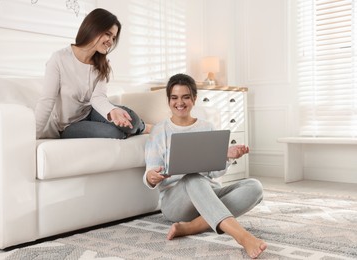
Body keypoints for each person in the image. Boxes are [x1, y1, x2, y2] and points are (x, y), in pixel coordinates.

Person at [143, 73, 267, 259]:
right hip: (175, 202)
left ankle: (192, 226)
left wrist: (226, 156)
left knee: (255, 187)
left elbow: (214, 172)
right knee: (192, 177)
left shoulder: (207, 127)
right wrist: (151, 177)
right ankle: (243, 237)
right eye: (174, 98)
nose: (180, 102)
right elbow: (150, 174)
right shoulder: (159, 131)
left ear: (194, 98)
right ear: (168, 100)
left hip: (207, 191)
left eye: (186, 97)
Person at [35, 8, 151, 139]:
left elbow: (98, 98)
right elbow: (46, 101)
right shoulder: (59, 59)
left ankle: (142, 127)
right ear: (93, 28)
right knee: (113, 133)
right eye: (108, 34)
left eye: (113, 37)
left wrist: (112, 110)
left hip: (93, 112)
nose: (111, 41)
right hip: (69, 125)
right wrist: (32, 135)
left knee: (132, 120)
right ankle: (128, 131)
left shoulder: (102, 63)